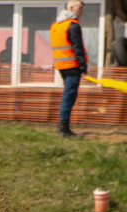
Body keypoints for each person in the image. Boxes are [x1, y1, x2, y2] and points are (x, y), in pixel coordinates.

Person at [51, 0, 88, 138]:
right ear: (71, 8)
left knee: (68, 95)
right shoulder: (72, 25)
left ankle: (62, 127)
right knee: (69, 96)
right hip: (72, 66)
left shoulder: (56, 25)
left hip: (61, 66)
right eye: (79, 8)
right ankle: (63, 129)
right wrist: (83, 66)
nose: (81, 11)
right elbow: (77, 47)